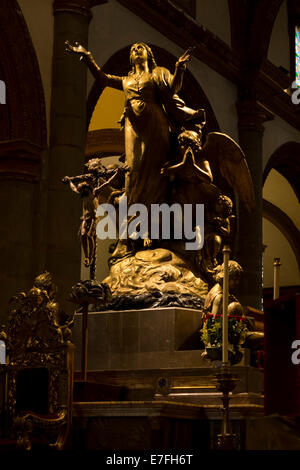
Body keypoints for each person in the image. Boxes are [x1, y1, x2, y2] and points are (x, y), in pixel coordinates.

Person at [65, 41, 205, 210]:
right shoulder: (126, 80)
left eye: (141, 48)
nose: (137, 50)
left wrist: (180, 69)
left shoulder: (157, 74)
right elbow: (103, 78)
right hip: (132, 125)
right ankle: (134, 211)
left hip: (155, 123)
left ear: (148, 55)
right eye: (133, 50)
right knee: (133, 167)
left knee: (154, 165)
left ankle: (154, 213)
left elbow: (172, 88)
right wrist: (88, 58)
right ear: (131, 59)